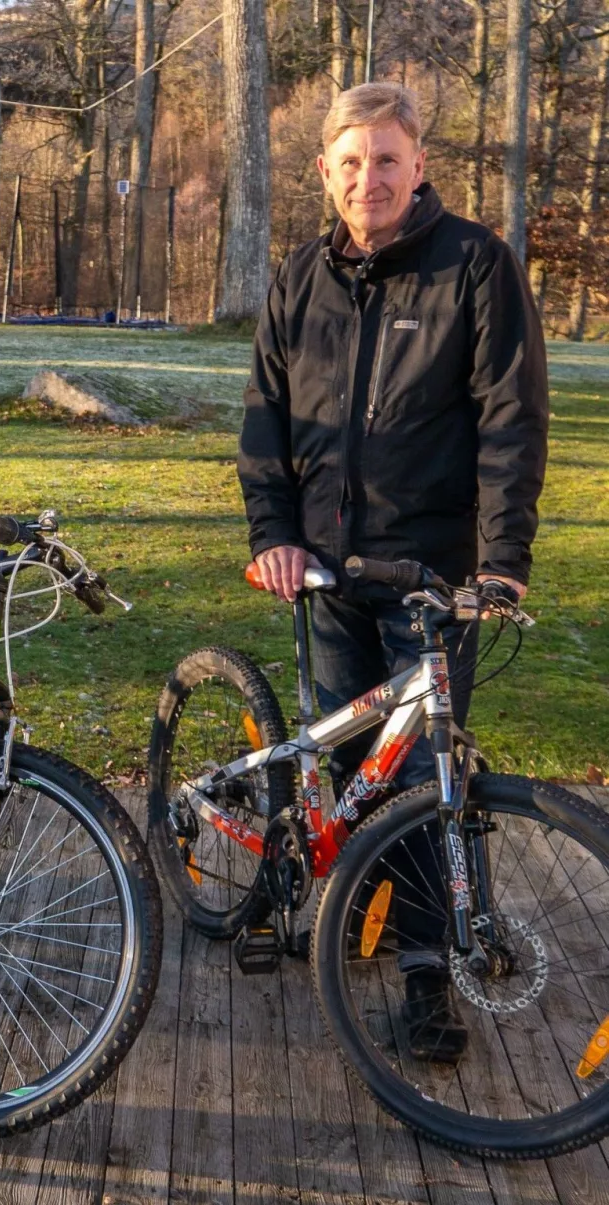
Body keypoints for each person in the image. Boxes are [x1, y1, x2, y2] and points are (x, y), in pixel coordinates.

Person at [237, 82, 549, 1061]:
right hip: (325, 573)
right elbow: (266, 426)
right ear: (324, 174)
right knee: (347, 763)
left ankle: (423, 976)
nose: (365, 178)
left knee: (415, 777)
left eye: (383, 159)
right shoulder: (298, 281)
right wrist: (271, 532)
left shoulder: (475, 268)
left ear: (418, 167)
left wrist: (500, 561)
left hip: (430, 573)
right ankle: (354, 898)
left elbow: (510, 421)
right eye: (347, 163)